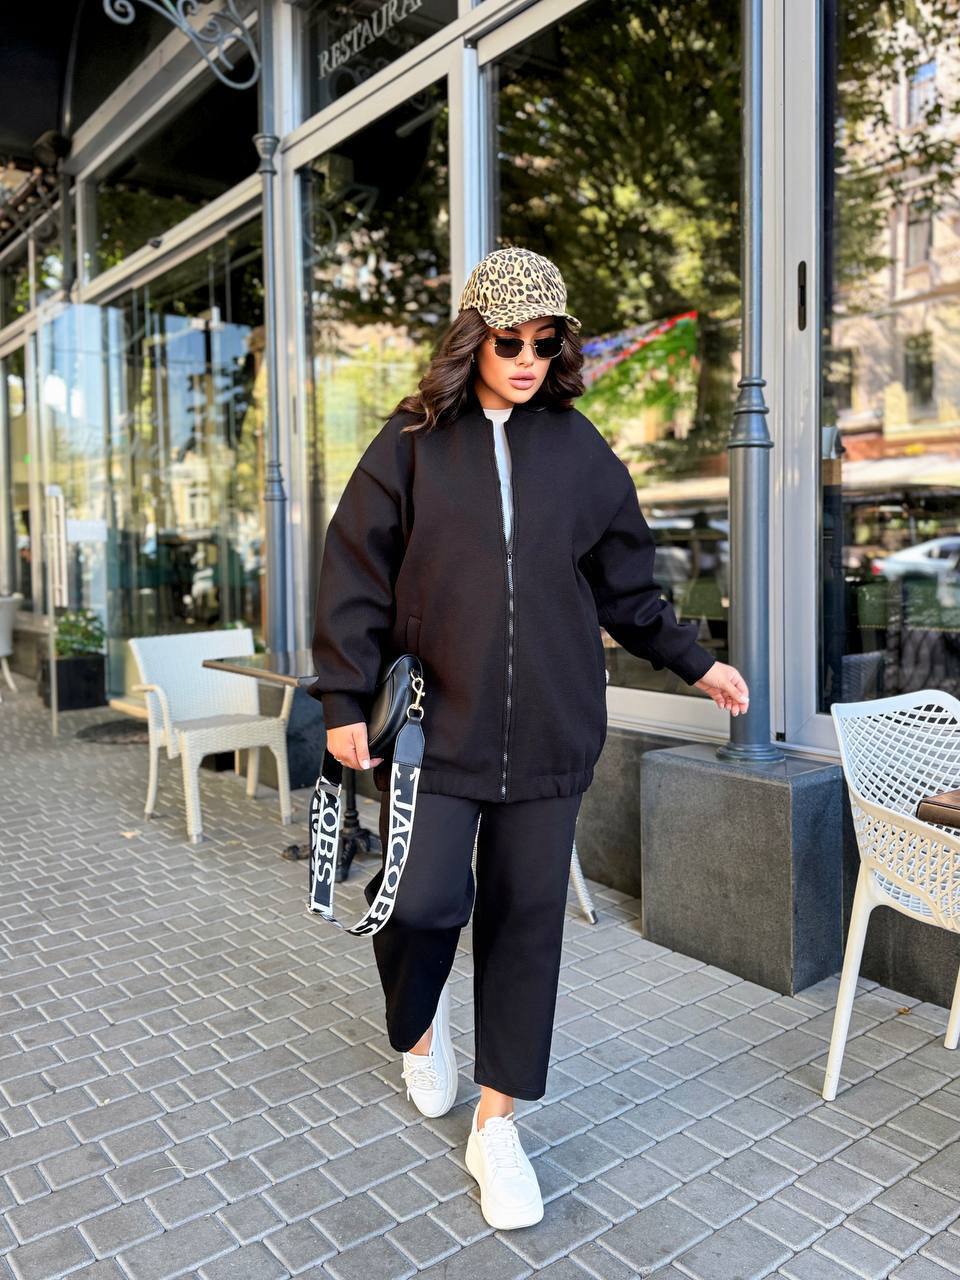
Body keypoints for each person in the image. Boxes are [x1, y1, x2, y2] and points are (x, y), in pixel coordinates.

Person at [309, 246, 750, 1231]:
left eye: (545, 344)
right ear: (474, 338)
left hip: (552, 732)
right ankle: (422, 1029)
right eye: (509, 341)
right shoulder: (412, 442)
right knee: (419, 901)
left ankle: (499, 1125)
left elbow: (629, 586)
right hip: (435, 730)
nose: (526, 360)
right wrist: (341, 698)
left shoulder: (580, 449)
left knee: (525, 924)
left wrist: (693, 661)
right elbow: (354, 571)